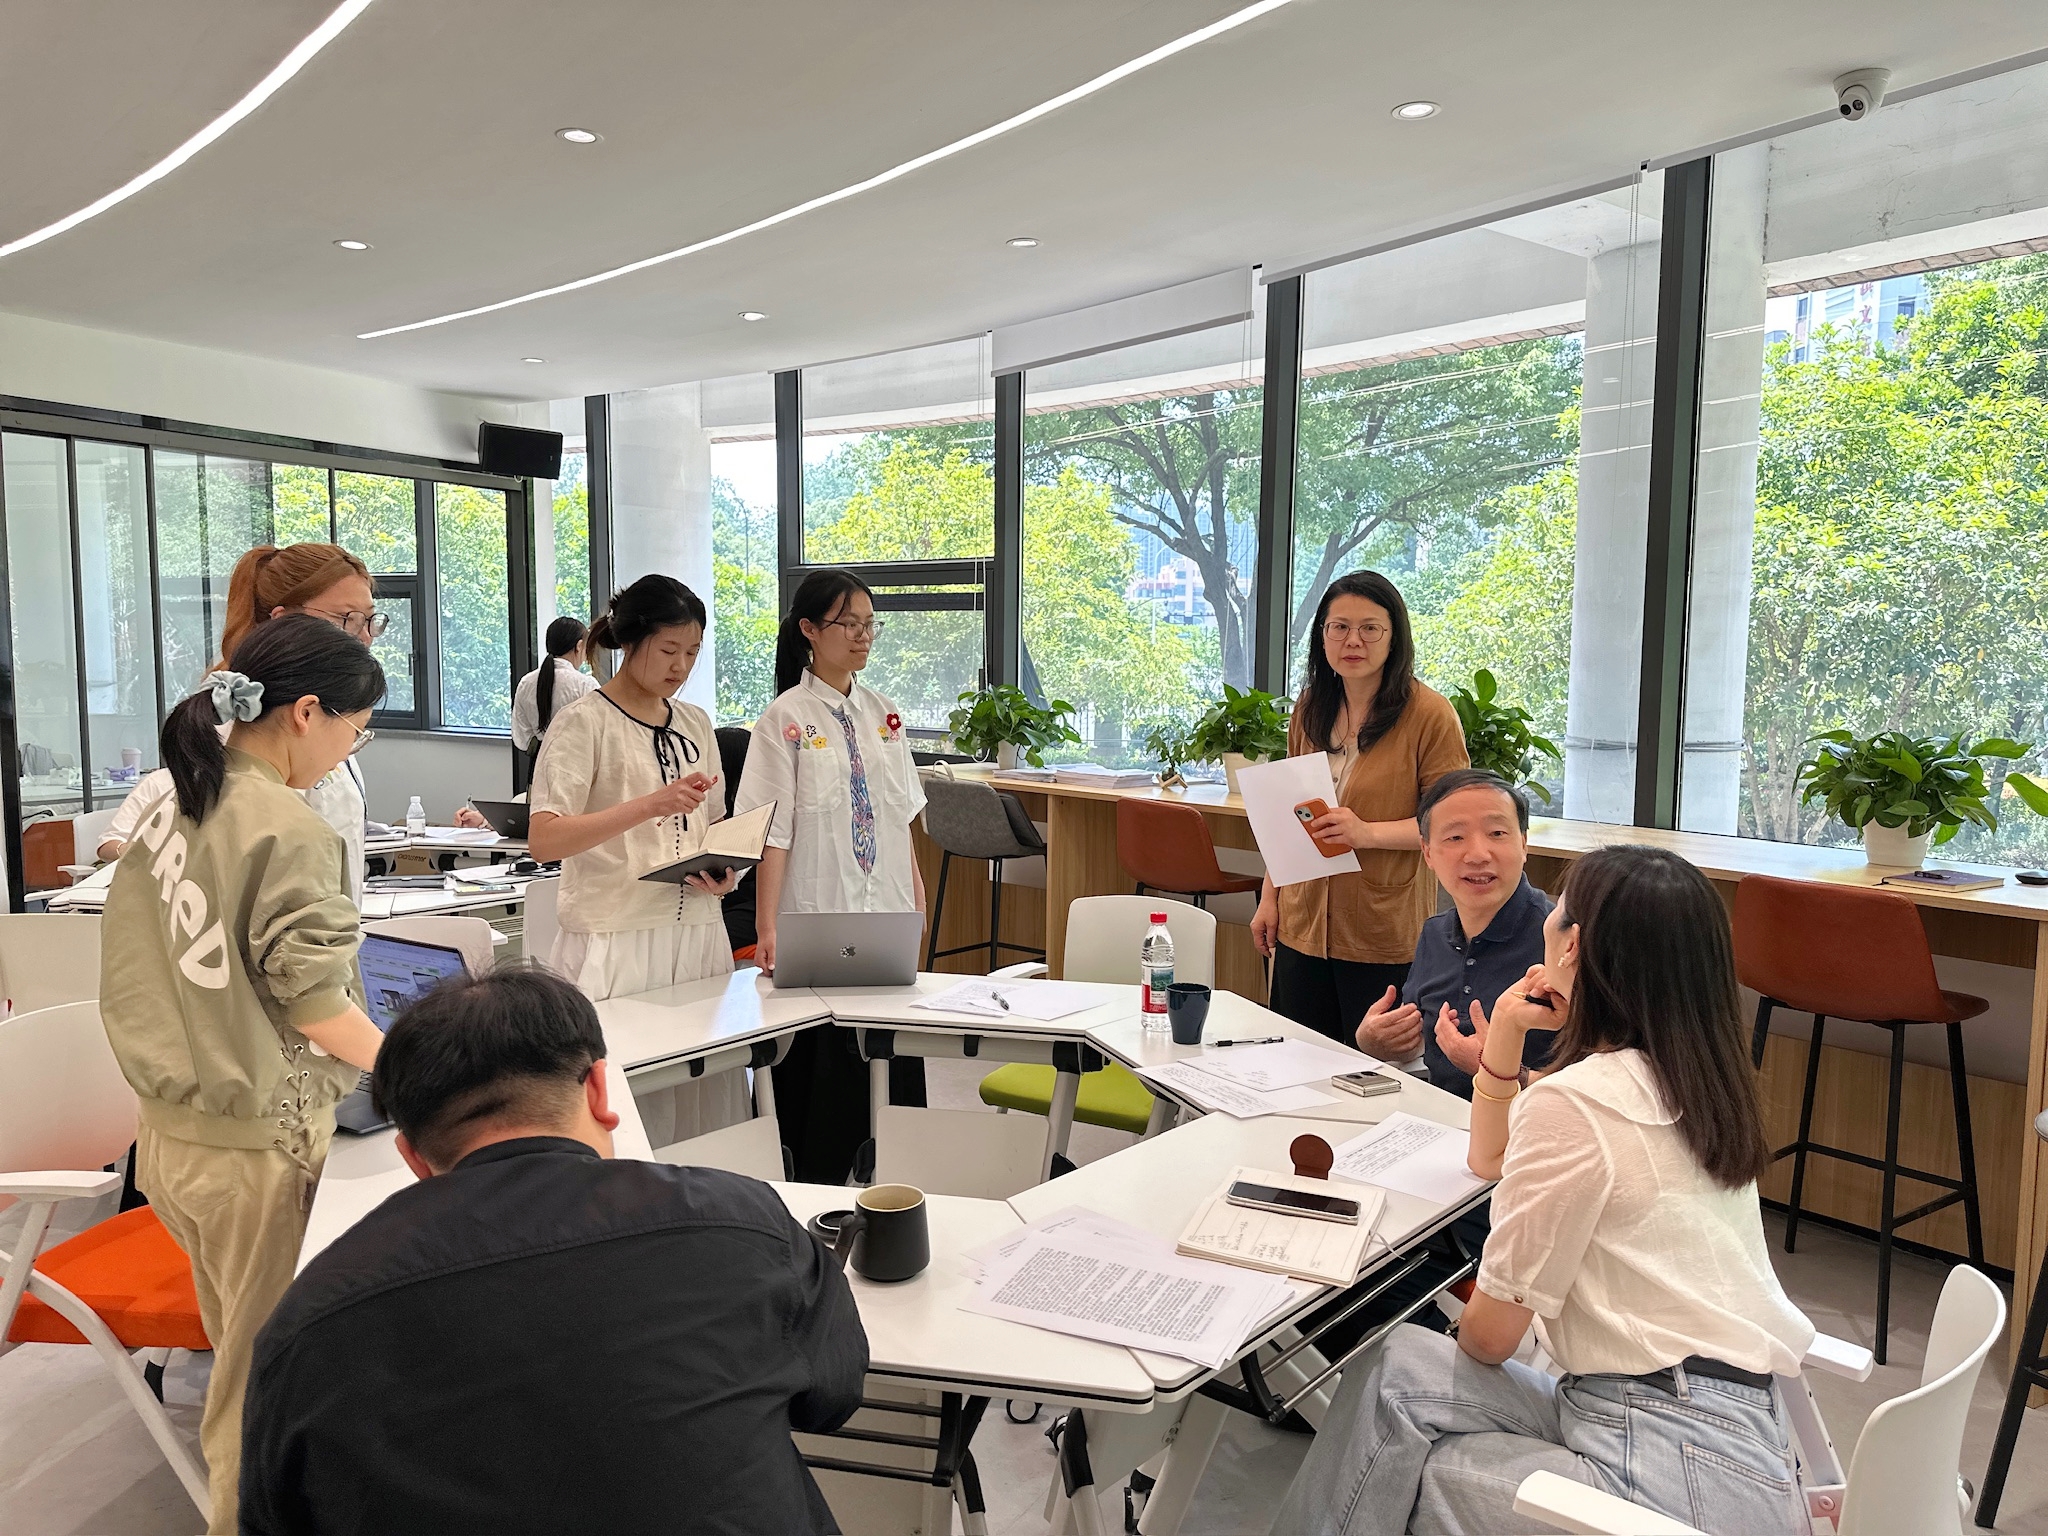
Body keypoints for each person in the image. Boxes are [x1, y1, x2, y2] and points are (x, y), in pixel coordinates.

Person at [1272, 845, 1815, 1536]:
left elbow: (1489, 1339)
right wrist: (1505, 1029)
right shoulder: (1695, 1080)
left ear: (1574, 945)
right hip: (1729, 1432)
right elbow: (1491, 1155)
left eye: (1556, 914)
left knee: (1402, 1470)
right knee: (1398, 1359)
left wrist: (1491, 1299)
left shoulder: (1577, 1103)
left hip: (1659, 1466)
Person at [238, 967, 867, 1536]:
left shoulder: (309, 1320)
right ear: (599, 1091)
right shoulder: (743, 1222)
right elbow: (831, 1398)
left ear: (413, 1157)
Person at [98, 614, 387, 1534]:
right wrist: (414, 1065)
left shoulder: (170, 806)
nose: (347, 753)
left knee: (239, 1358)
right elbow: (316, 1006)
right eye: (354, 731)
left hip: (170, 1140)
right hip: (254, 1152)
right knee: (260, 1391)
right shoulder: (287, 827)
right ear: (307, 713)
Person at [526, 575, 746, 1147]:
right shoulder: (584, 721)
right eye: (669, 650)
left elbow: (713, 822)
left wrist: (725, 872)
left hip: (697, 933)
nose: (681, 666)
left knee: (703, 1103)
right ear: (630, 641)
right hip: (615, 936)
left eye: (692, 652)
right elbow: (544, 839)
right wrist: (648, 805)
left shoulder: (695, 723)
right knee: (619, 1103)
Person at [735, 569, 927, 1180]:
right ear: (810, 630)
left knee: (890, 1055)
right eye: (849, 624)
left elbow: (900, 818)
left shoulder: (886, 715)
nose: (863, 636)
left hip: (886, 906)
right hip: (816, 910)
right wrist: (767, 926)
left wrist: (917, 901)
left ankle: (892, 1185)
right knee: (822, 1061)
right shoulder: (784, 719)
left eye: (870, 624)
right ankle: (816, 1189)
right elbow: (773, 831)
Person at [1251, 571, 1469, 1043]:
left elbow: (1453, 824)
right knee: (1294, 1061)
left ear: (1394, 637)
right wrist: (1270, 897)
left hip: (1380, 929)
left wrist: (1367, 833)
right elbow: (1290, 814)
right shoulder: (1310, 707)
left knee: (1372, 1069)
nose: (1353, 640)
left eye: (1370, 628)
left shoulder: (1429, 715)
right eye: (1340, 627)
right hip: (1302, 921)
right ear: (1322, 636)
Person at [1354, 767, 1556, 1096]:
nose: (1478, 855)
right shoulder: (1434, 933)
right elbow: (1419, 1046)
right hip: (1439, 1114)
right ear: (1428, 852)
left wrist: (1501, 1071)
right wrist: (1376, 1041)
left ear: (1523, 843)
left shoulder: (1564, 941)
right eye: (1455, 837)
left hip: (1531, 1122)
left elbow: (1610, 1084)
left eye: (1497, 833)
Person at [511, 614, 596, 757]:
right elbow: (599, 732)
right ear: (579, 646)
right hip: (576, 761)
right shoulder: (585, 684)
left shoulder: (526, 683)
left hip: (540, 762)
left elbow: (522, 738)